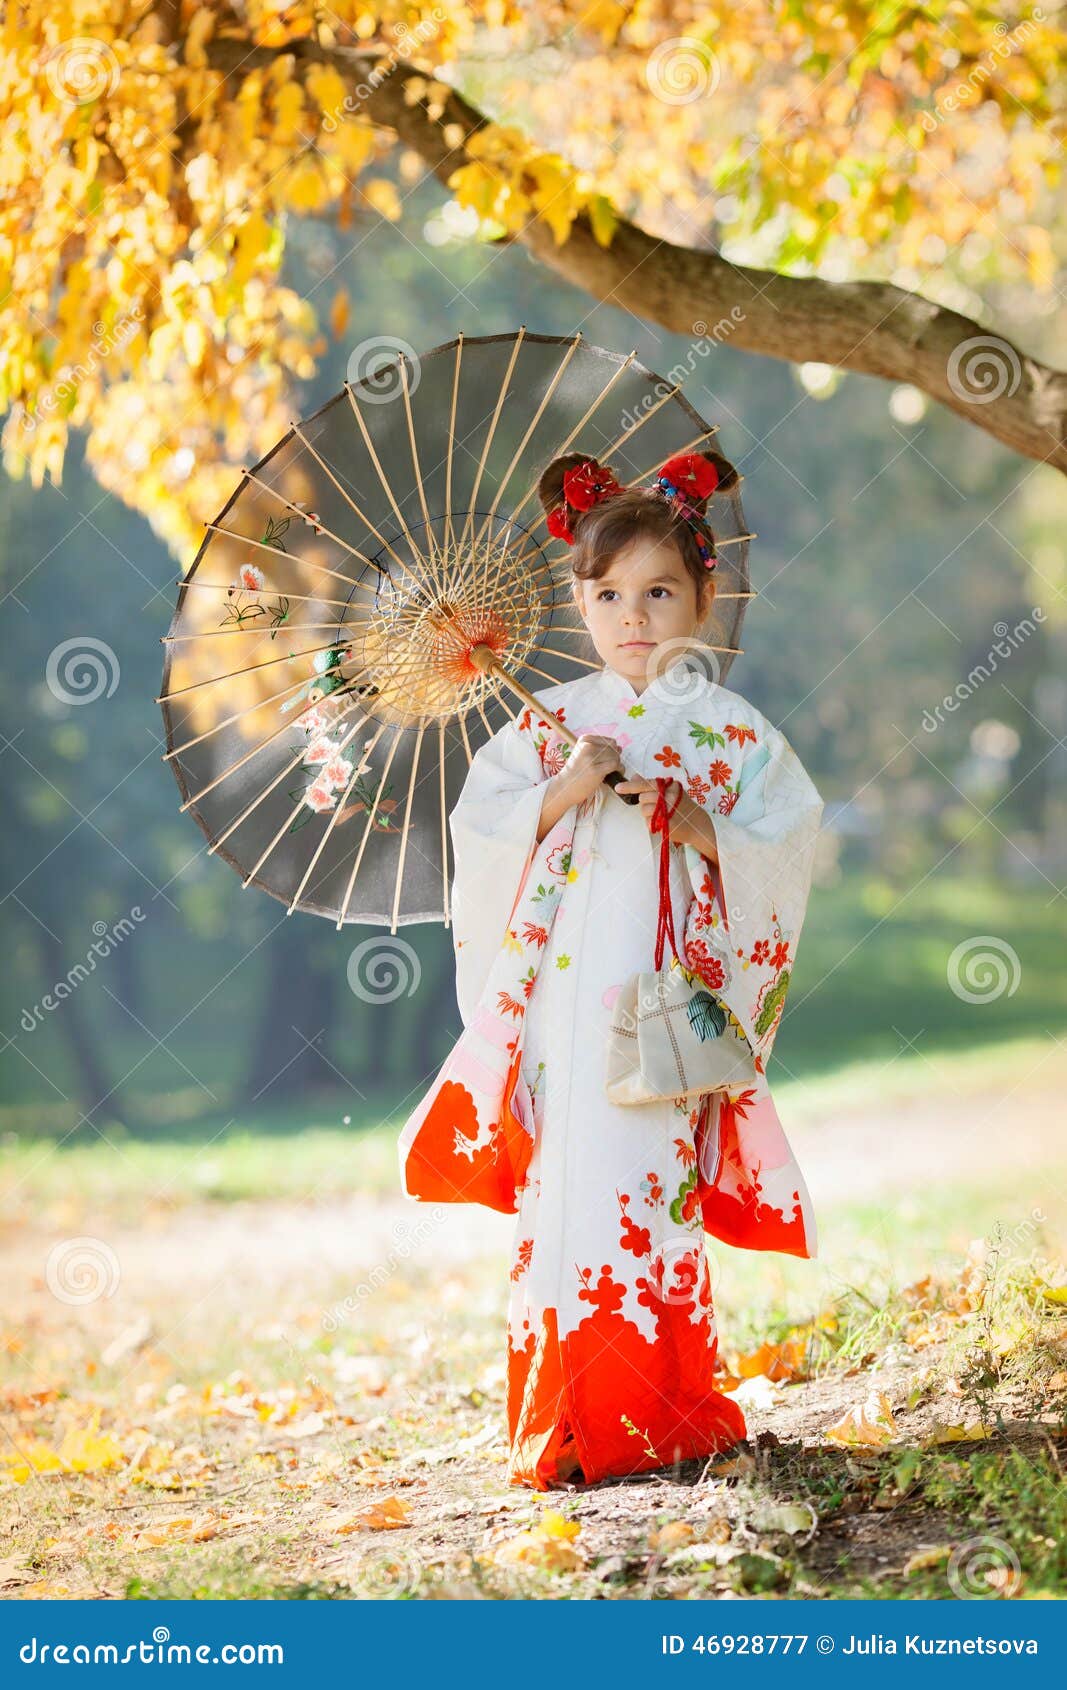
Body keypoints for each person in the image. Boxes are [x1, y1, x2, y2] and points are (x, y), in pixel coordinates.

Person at [398, 449, 825, 1490]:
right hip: (559, 1007)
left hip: (660, 1006)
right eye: (606, 595)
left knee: (644, 1184)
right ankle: (562, 1418)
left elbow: (787, 842)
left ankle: (657, 1405)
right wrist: (559, 790)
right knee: (563, 1187)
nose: (631, 616)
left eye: (658, 591)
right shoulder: (550, 725)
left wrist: (699, 821)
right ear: (577, 600)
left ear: (704, 594)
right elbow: (482, 836)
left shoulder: (728, 731)